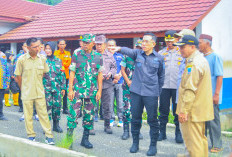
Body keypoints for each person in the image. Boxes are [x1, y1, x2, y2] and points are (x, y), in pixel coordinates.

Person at [115, 33, 165, 156]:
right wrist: (119, 48)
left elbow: (161, 76)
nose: (143, 44)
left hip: (151, 93)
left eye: (147, 42)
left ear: (153, 43)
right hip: (136, 92)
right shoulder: (137, 54)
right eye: (142, 41)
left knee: (152, 120)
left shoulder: (159, 58)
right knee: (135, 119)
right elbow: (128, 50)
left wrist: (158, 93)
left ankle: (153, 146)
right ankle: (135, 143)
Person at [174, 35, 214, 157]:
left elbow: (190, 89)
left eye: (183, 47)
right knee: (200, 140)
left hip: (192, 110)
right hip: (198, 109)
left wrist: (184, 111)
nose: (180, 50)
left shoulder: (194, 64)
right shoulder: (198, 60)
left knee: (193, 143)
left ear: (192, 47)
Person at [15, 37, 54, 145]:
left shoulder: (42, 58)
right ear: (28, 47)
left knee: (43, 114)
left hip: (39, 92)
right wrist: (23, 88)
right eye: (34, 47)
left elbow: (45, 73)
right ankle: (31, 135)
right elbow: (18, 76)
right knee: (28, 115)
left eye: (39, 46)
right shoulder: (21, 59)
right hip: (27, 92)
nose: (37, 48)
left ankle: (49, 136)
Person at [66, 34, 103, 149]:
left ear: (93, 43)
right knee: (73, 115)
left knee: (89, 116)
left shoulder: (98, 56)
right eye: (83, 42)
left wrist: (99, 91)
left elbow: (100, 74)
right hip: (77, 91)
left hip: (91, 92)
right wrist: (70, 89)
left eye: (87, 42)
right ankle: (69, 140)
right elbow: (72, 72)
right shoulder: (77, 54)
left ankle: (85, 140)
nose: (85, 45)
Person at [199, 34, 223, 153]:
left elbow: (219, 76)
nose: (198, 45)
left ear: (207, 43)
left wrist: (216, 94)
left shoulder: (215, 57)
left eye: (200, 43)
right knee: (204, 121)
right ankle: (204, 143)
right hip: (202, 96)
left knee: (213, 121)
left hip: (212, 95)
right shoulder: (202, 58)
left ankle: (217, 144)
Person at [158, 30, 183, 143]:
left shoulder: (182, 53)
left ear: (177, 40)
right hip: (164, 87)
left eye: (171, 41)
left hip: (178, 87)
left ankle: (178, 133)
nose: (169, 43)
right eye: (167, 41)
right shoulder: (161, 53)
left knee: (177, 111)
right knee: (163, 110)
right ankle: (162, 132)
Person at [120, 39, 144, 140]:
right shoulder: (127, 56)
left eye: (140, 48)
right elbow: (122, 70)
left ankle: (137, 131)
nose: (138, 49)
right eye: (137, 47)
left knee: (138, 110)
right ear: (134, 47)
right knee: (126, 109)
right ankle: (126, 131)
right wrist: (128, 81)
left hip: (140, 88)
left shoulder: (145, 58)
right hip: (127, 87)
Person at [95, 35, 117, 134]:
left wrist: (110, 74)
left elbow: (114, 67)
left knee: (107, 106)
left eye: (100, 44)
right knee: (92, 106)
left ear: (104, 45)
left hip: (107, 84)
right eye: (97, 44)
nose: (98, 46)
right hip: (94, 84)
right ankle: (90, 126)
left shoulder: (109, 55)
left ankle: (107, 125)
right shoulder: (92, 55)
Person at [43, 42, 66, 133]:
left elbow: (62, 74)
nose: (48, 50)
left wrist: (63, 87)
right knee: (46, 107)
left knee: (57, 106)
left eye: (49, 49)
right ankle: (46, 127)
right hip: (45, 88)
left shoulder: (58, 60)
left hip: (57, 88)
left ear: (53, 49)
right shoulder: (42, 60)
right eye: (46, 49)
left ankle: (56, 125)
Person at [107, 39, 124, 127]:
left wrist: (119, 76)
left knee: (120, 102)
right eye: (109, 45)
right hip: (109, 82)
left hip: (120, 82)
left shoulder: (120, 56)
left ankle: (121, 119)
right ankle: (111, 119)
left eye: (112, 45)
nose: (111, 47)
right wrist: (113, 77)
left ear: (115, 46)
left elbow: (123, 68)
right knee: (110, 102)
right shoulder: (105, 56)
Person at [54, 39, 71, 114]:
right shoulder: (54, 53)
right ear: (58, 45)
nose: (62, 46)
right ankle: (56, 107)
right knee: (56, 92)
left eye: (63, 44)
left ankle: (65, 108)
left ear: (65, 45)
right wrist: (63, 64)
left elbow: (68, 63)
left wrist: (61, 64)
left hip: (65, 76)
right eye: (60, 44)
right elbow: (55, 63)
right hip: (57, 75)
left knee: (65, 93)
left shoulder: (68, 53)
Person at [0, 55, 10, 120]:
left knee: (0, 101)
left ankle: (1, 114)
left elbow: (7, 72)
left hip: (1, 85)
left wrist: (7, 83)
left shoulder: (3, 61)